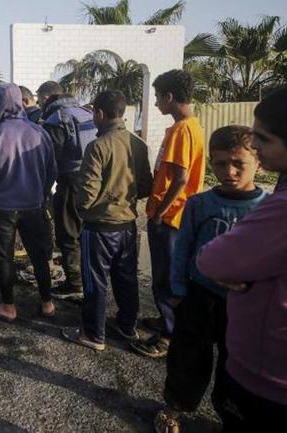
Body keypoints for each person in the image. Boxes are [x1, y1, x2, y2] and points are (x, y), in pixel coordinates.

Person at [197, 83, 287, 433]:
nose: (255, 145)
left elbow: (213, 260)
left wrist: (241, 268)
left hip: (273, 376)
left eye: (264, 139)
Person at [153, 125, 267, 433]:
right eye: (219, 163)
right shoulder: (199, 204)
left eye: (238, 163)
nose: (228, 171)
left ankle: (232, 418)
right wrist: (177, 289)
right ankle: (174, 408)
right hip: (199, 295)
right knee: (187, 358)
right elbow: (182, 249)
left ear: (258, 162)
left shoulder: (268, 208)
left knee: (237, 367)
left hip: (244, 305)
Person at [61, 91, 152, 351]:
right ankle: (127, 326)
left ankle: (93, 334)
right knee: (127, 279)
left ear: (99, 113)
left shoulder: (98, 146)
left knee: (95, 282)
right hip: (128, 225)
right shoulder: (138, 144)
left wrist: (82, 209)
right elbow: (146, 185)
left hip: (100, 228)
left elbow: (87, 193)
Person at [132, 69, 205, 359]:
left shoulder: (183, 130)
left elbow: (181, 179)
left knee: (166, 278)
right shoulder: (186, 127)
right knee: (167, 275)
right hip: (174, 214)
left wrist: (160, 212)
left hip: (171, 216)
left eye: (158, 98)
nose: (157, 104)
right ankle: (166, 321)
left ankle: (169, 335)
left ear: (169, 96)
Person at [0, 83, 57, 322]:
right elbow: (52, 171)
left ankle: (8, 307)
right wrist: (40, 193)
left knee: (4, 257)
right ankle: (47, 303)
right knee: (39, 255)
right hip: (33, 205)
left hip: (2, 208)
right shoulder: (39, 133)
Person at [37, 81, 98, 301]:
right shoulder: (86, 113)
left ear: (46, 98)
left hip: (70, 183)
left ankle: (75, 283)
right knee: (87, 233)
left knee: (68, 232)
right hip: (93, 182)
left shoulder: (56, 119)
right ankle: (90, 279)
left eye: (39, 99)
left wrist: (44, 191)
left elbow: (50, 160)